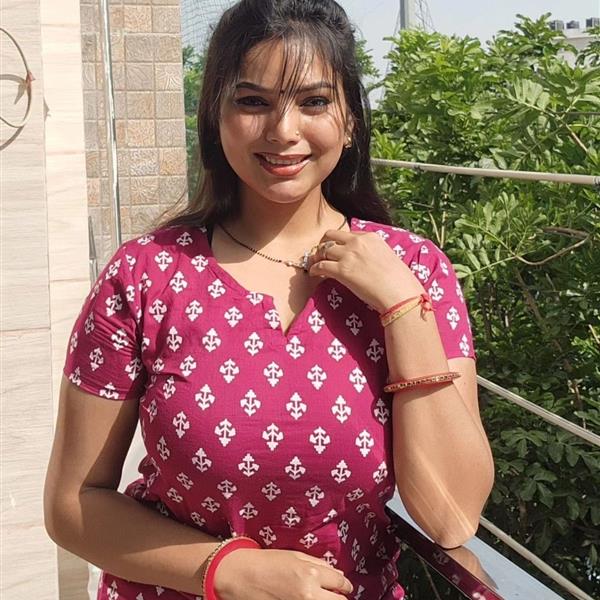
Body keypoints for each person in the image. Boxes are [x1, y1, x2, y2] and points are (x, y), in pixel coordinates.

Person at [43, 1, 495, 599]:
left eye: (314, 102)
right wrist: (227, 570)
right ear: (216, 116)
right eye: (253, 101)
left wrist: (402, 308)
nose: (283, 131)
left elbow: (453, 518)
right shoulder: (145, 276)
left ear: (351, 121)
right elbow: (74, 503)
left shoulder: (415, 270)